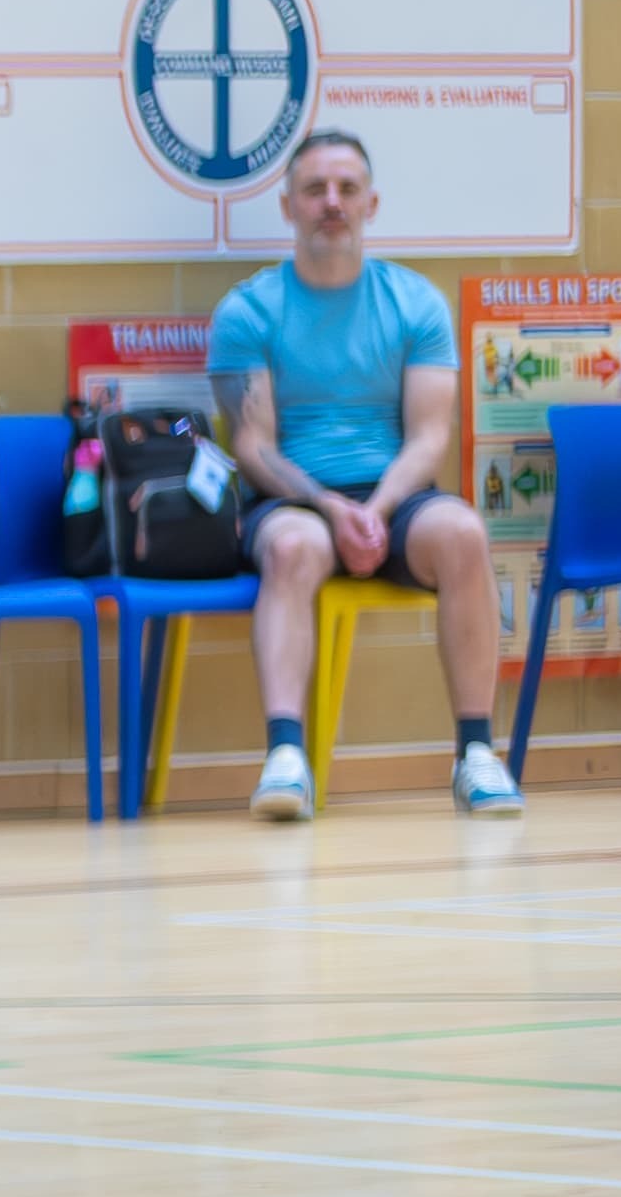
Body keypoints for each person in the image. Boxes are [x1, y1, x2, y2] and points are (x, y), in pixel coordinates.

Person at [214, 130, 517, 821]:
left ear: (370, 204)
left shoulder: (416, 303)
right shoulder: (247, 311)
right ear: (287, 205)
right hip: (293, 500)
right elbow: (253, 446)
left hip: (394, 497)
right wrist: (330, 507)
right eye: (315, 189)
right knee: (292, 549)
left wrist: (375, 510)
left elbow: (429, 436)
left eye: (347, 189)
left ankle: (477, 754)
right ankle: (286, 758)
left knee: (464, 534)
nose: (332, 202)